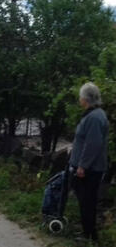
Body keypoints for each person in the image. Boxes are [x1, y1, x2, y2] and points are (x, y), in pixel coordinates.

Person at [69, 82, 109, 243]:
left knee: (87, 201)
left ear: (85, 99)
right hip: (89, 167)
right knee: (86, 200)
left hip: (89, 169)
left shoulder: (94, 117)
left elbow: (93, 144)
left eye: (80, 97)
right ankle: (89, 233)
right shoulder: (94, 114)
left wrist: (82, 166)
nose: (79, 100)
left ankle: (89, 235)